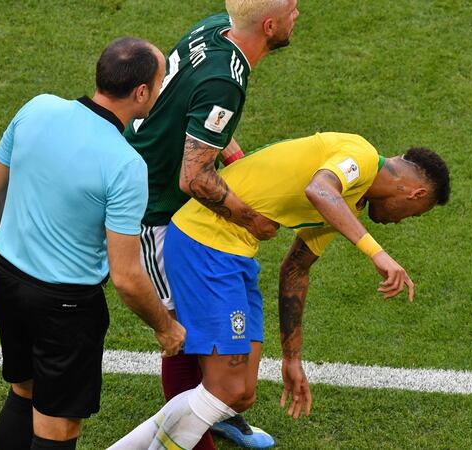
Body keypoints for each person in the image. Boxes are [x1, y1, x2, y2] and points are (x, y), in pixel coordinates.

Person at [107, 132, 451, 449]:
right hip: (204, 244)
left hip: (235, 255)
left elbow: (296, 270)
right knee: (225, 387)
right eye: (414, 214)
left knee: (240, 395)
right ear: (416, 193)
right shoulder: (360, 155)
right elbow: (320, 190)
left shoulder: (350, 202)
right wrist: (378, 254)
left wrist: (292, 358)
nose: (401, 221)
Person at [0, 37, 186, 450]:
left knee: (24, 393)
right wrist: (166, 327)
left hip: (8, 281)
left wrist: (8, 259)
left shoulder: (37, 108)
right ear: (142, 92)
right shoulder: (125, 165)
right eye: (160, 84)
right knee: (58, 428)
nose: (160, 92)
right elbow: (126, 276)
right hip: (66, 308)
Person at [124, 1, 299, 448]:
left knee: (204, 325)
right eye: (294, 10)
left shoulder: (217, 28)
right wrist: (250, 217)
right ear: (270, 24)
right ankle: (192, 438)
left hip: (179, 204)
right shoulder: (225, 79)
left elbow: (194, 112)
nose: (299, 15)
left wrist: (235, 156)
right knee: (181, 332)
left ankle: (214, 412)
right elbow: (193, 177)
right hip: (156, 211)